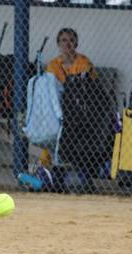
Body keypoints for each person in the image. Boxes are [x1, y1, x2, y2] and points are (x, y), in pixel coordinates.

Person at [34, 28, 97, 174]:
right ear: (58, 43)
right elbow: (50, 90)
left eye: (71, 40)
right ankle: (43, 168)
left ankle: (54, 165)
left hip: (79, 108)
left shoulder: (83, 61)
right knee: (53, 128)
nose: (67, 44)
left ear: (76, 43)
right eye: (63, 40)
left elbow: (85, 86)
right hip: (59, 108)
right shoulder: (53, 65)